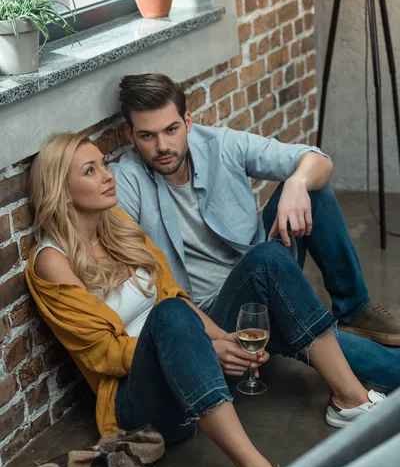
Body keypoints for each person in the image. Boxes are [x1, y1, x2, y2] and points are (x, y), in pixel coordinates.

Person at [27, 133, 385, 467]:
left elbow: (176, 297)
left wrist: (223, 340)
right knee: (167, 315)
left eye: (104, 165)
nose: (107, 175)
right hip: (141, 404)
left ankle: (348, 399)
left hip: (192, 361)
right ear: (62, 189)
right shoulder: (52, 260)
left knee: (267, 258)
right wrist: (205, 348)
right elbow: (104, 354)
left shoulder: (121, 229)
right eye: (91, 171)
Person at [110, 72, 400, 389]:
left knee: (312, 190)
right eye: (148, 136)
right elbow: (133, 275)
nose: (163, 146)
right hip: (216, 314)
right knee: (268, 266)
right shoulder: (126, 182)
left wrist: (297, 183)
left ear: (188, 122)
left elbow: (317, 161)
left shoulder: (219, 144)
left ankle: (354, 309)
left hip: (266, 270)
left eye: (171, 129)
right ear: (130, 133)